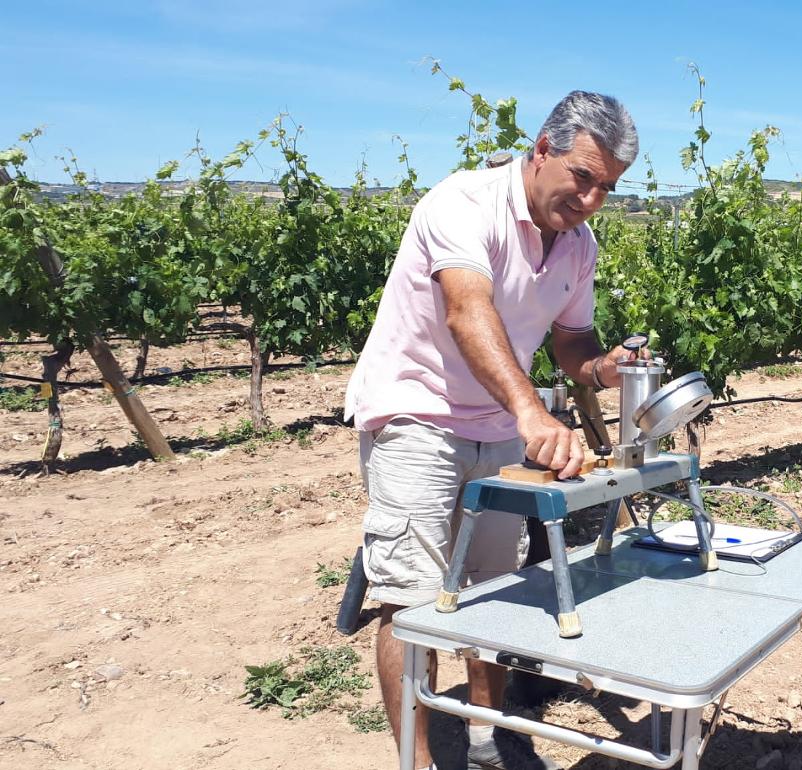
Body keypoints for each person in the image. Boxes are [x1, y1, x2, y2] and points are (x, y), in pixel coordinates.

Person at [344, 91, 639, 770]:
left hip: (499, 426)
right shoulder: (462, 203)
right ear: (543, 150)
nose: (593, 200)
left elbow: (573, 338)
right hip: (416, 412)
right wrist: (532, 412)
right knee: (412, 601)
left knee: (493, 593)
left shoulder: (578, 245)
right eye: (584, 178)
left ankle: (486, 740)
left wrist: (601, 367)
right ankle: (416, 763)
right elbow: (466, 312)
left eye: (608, 188)